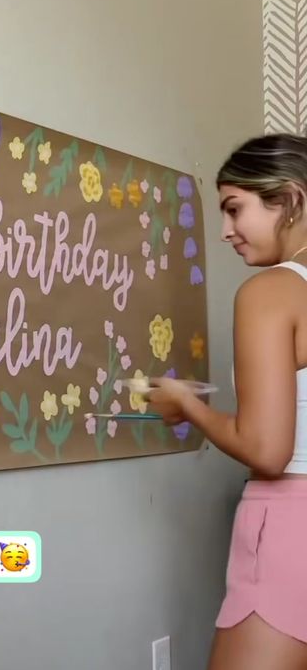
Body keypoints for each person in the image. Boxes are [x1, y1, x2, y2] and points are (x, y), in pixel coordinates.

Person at [147, 133, 307, 670]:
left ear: (288, 200)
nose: (225, 232)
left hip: (291, 529)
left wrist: (185, 404)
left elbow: (268, 450)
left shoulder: (270, 292)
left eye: (235, 209)